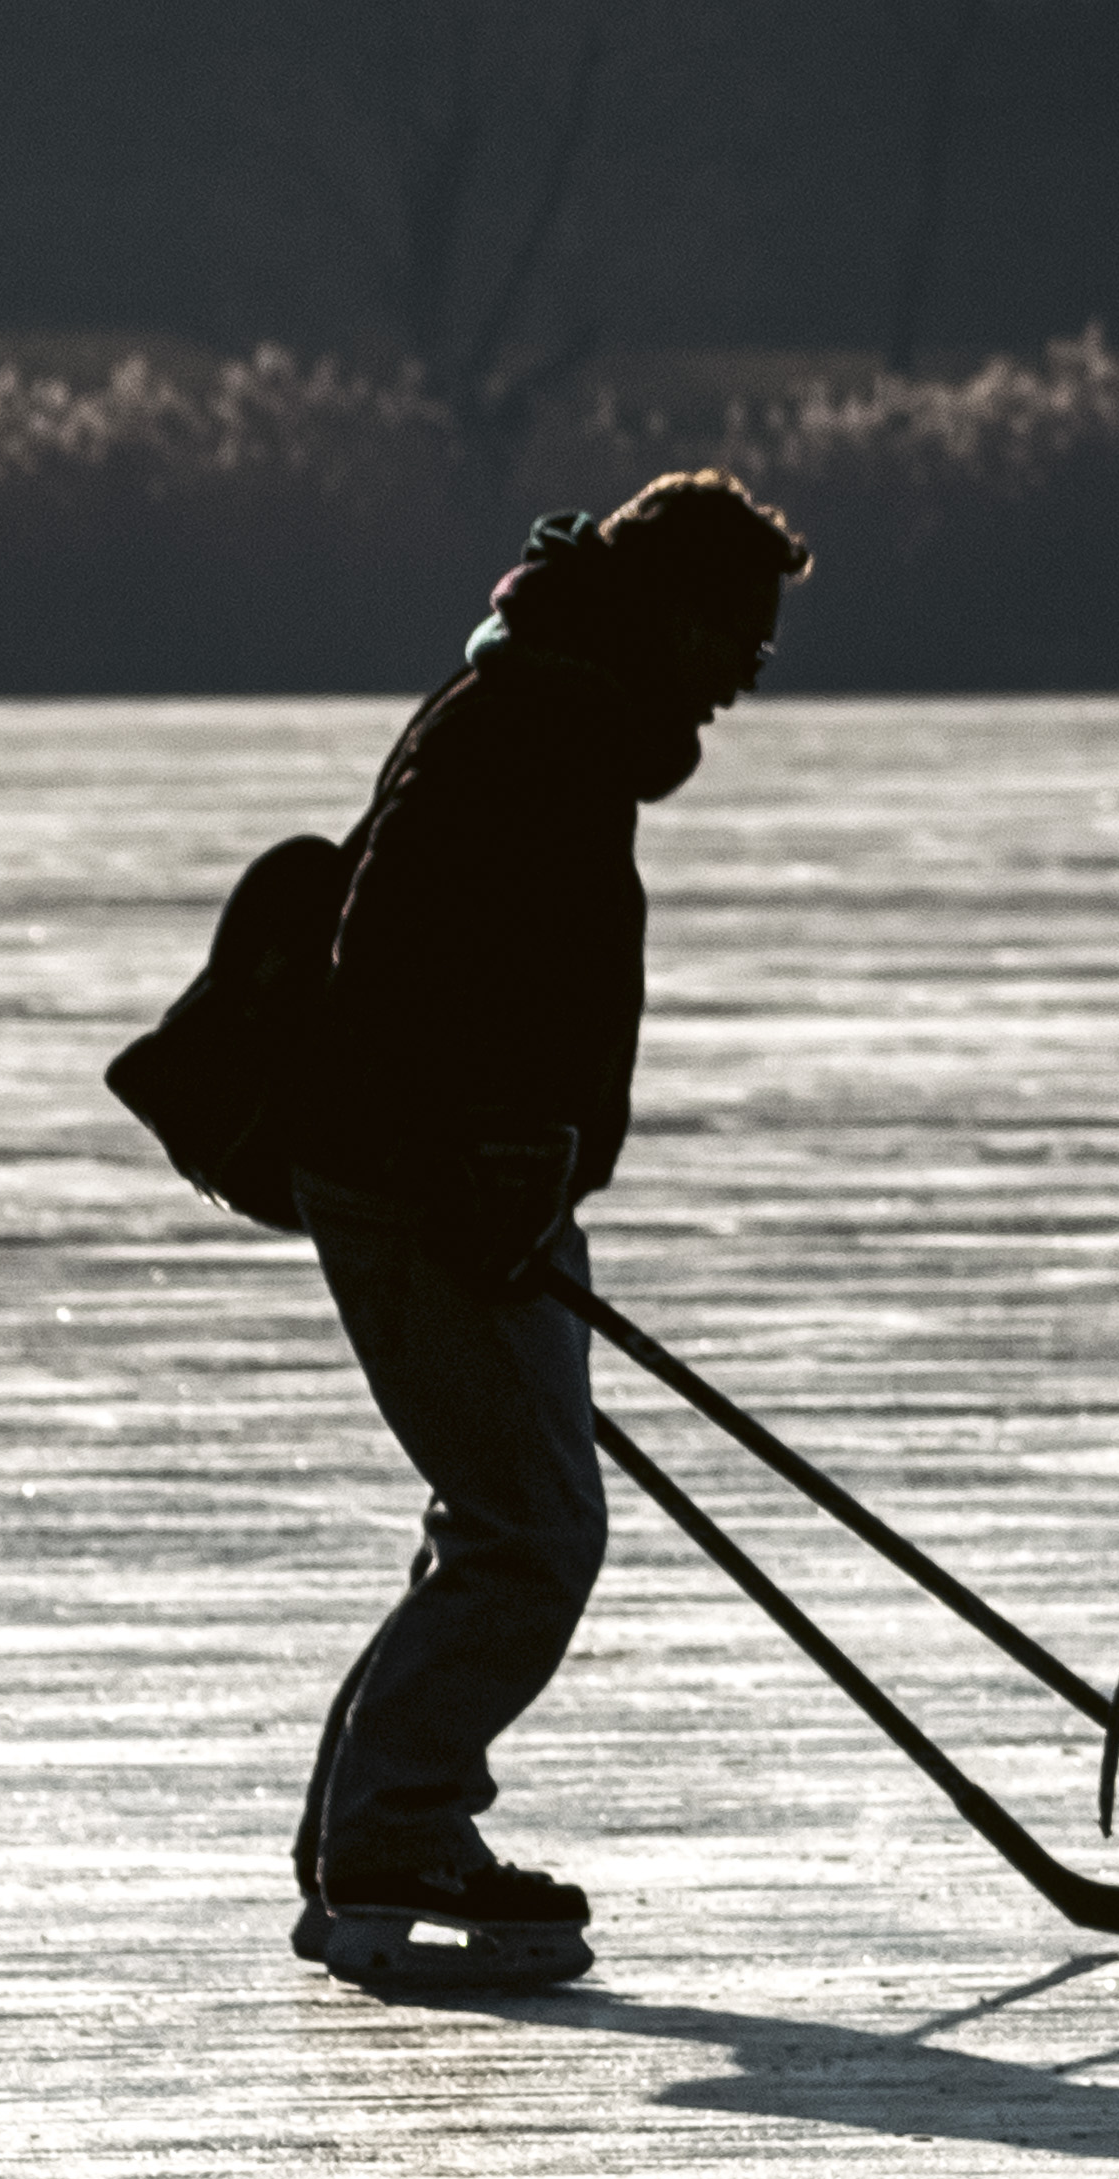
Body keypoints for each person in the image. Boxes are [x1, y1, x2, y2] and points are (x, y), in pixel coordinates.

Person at [291, 472, 812, 1992]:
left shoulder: (546, 699)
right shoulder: (535, 719)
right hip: (429, 1190)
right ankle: (391, 1832)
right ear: (677, 612)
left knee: (502, 1517)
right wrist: (495, 1159)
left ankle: (378, 1825)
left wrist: (529, 1156)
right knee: (533, 1532)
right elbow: (394, 958)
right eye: (741, 644)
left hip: (471, 1184)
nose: (738, 684)